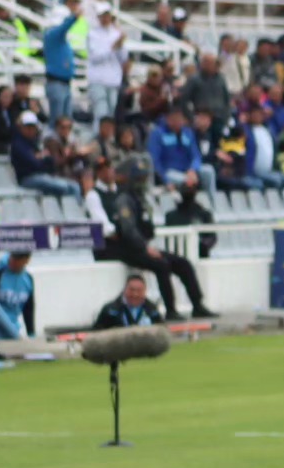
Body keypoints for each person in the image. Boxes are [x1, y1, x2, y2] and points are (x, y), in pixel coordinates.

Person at [95, 157, 216, 321]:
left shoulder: (139, 199)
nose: (143, 182)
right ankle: (171, 310)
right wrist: (145, 248)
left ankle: (198, 305)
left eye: (144, 178)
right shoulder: (125, 199)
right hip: (126, 248)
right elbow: (128, 230)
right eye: (140, 178)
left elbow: (146, 228)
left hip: (139, 246)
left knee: (183, 263)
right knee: (162, 265)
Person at [149, 107, 217, 202]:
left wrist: (193, 169)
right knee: (184, 180)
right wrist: (165, 180)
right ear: (168, 119)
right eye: (175, 119)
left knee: (209, 171)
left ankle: (212, 204)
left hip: (188, 170)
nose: (179, 122)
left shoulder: (187, 133)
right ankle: (188, 206)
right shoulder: (157, 134)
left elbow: (196, 155)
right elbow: (154, 161)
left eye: (180, 119)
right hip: (170, 172)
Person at [12, 112, 81, 198]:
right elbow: (35, 164)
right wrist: (41, 158)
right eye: (27, 127)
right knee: (63, 187)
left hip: (43, 175)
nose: (31, 130)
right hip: (27, 178)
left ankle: (76, 209)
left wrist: (41, 157)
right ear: (21, 127)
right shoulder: (18, 144)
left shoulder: (34, 142)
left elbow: (48, 160)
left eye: (33, 127)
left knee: (75, 186)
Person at [85, 2, 128, 125]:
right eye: (102, 15)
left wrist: (120, 45)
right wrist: (113, 47)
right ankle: (98, 139)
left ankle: (107, 141)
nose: (105, 18)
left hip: (113, 80)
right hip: (98, 80)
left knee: (110, 115)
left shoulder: (116, 33)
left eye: (107, 15)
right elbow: (95, 57)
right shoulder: (92, 34)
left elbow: (123, 57)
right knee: (101, 113)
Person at [43, 0, 82, 123]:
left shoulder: (61, 39)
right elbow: (63, 28)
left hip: (65, 83)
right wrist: (74, 18)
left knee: (66, 120)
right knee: (57, 121)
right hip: (56, 83)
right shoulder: (52, 34)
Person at [93, 273, 164, 329]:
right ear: (125, 289)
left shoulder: (152, 310)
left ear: (145, 291)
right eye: (132, 290)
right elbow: (97, 333)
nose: (135, 294)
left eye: (139, 290)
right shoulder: (109, 310)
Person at [0, 252, 35, 341]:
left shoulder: (28, 279)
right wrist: (15, 335)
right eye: (12, 258)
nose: (12, 262)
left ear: (26, 261)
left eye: (17, 260)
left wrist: (31, 334)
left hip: (13, 333)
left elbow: (28, 310)